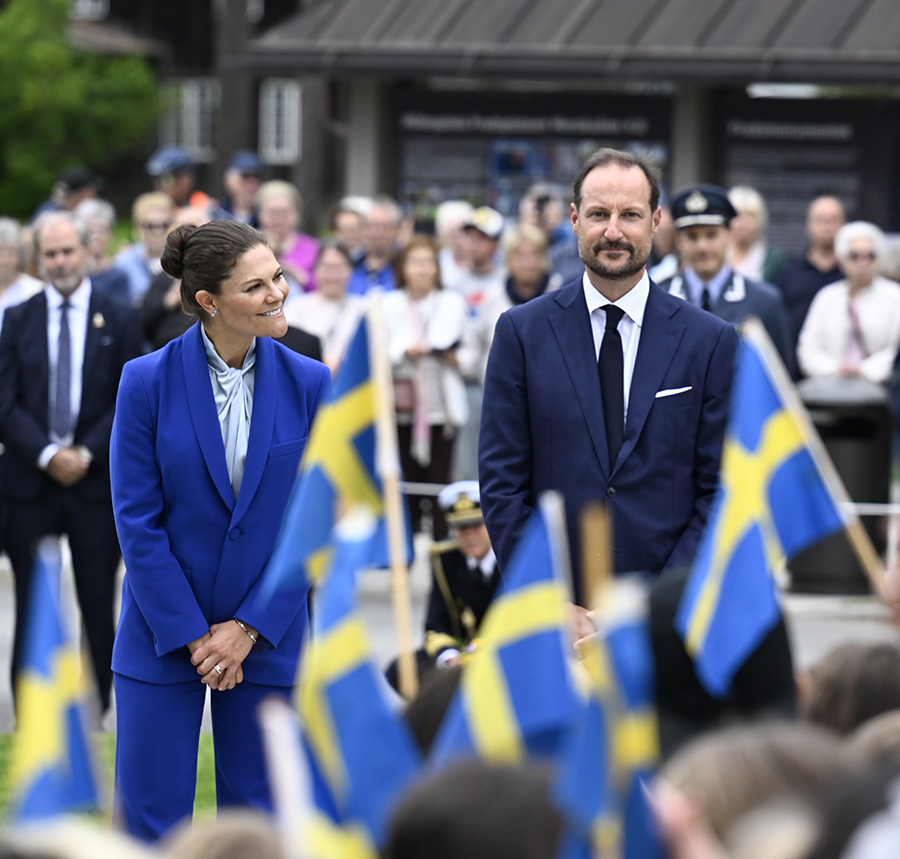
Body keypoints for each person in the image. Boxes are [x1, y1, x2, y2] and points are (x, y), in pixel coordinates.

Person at [109, 219, 332, 841]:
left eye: (279, 277)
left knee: (258, 826)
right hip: (162, 635)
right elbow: (136, 520)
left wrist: (247, 629)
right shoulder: (144, 381)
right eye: (256, 286)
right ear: (209, 302)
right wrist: (192, 635)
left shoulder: (311, 382)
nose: (278, 294)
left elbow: (312, 524)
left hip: (269, 637)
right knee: (150, 825)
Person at [479, 148, 737, 600]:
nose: (613, 231)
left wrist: (658, 608)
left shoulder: (709, 341)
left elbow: (719, 490)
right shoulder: (521, 333)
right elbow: (503, 485)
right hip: (556, 613)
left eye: (630, 215)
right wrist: (552, 602)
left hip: (665, 617)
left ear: (657, 222)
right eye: (599, 214)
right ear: (575, 219)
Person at [0, 212, 143, 712]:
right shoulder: (17, 318)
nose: (60, 262)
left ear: (87, 252)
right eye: (50, 254)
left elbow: (128, 397)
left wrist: (83, 452)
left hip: (94, 483)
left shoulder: (120, 316)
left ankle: (99, 708)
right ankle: (29, 714)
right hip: (29, 484)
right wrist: (46, 453)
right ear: (38, 260)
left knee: (97, 602)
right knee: (35, 603)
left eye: (68, 252)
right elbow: (5, 401)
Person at [659, 183, 797, 377]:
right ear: (679, 241)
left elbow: (781, 378)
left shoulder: (764, 301)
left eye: (711, 235)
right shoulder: (659, 299)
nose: (702, 246)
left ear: (729, 235)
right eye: (692, 237)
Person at [383, 236, 467, 540]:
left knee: (440, 484)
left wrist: (453, 357)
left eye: (427, 262)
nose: (421, 269)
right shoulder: (389, 303)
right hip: (402, 408)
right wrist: (405, 352)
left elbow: (470, 354)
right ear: (403, 268)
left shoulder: (452, 302)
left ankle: (441, 552)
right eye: (415, 262)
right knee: (406, 484)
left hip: (442, 409)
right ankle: (406, 552)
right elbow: (379, 353)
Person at [797, 221, 900, 385]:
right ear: (842, 259)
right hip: (829, 388)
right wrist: (836, 369)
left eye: (870, 256)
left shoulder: (895, 296)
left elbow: (895, 351)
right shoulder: (827, 297)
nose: (862, 262)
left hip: (879, 390)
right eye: (855, 256)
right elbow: (808, 347)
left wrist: (863, 370)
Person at [283, 238, 365, 373]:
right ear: (316, 270)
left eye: (339, 268)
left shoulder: (362, 309)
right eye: (327, 268)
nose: (333, 276)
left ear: (350, 270)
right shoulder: (297, 307)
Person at [775, 195, 846, 347]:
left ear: (843, 224)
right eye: (820, 220)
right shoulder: (789, 273)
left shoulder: (851, 274)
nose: (826, 226)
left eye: (833, 220)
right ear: (809, 224)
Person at [114, 192, 177, 308]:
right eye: (150, 226)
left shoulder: (180, 260)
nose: (157, 232)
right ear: (139, 227)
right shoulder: (124, 262)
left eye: (164, 225)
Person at [257, 179, 319, 294]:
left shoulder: (314, 249)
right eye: (272, 212)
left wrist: (297, 274)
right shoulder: (250, 248)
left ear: (297, 213)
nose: (278, 219)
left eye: (284, 212)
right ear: (260, 214)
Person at [73, 198, 131, 305]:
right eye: (90, 230)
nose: (96, 236)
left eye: (101, 230)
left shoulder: (118, 277)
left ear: (111, 235)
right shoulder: (71, 274)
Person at [727, 185, 785, 284]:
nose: (743, 223)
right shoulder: (716, 252)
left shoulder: (772, 258)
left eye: (750, 216)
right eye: (737, 215)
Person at [348, 195, 403, 295]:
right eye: (371, 226)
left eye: (384, 227)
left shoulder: (405, 266)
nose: (377, 233)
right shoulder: (349, 264)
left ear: (397, 230)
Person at [0, 217, 44, 331]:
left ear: (20, 254)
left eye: (11, 252)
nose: (4, 260)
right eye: (0, 251)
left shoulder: (36, 290)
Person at [219, 150, 264, 226]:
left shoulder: (264, 217)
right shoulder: (217, 212)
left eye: (256, 179)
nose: (251, 187)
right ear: (230, 180)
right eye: (245, 179)